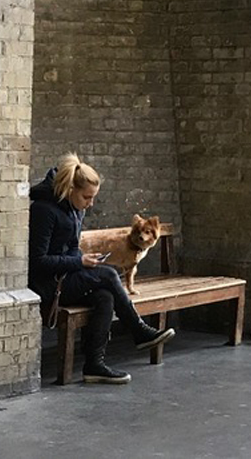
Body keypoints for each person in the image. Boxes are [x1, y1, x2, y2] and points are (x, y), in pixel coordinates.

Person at [29, 153, 176, 384]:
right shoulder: (43, 210)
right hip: (48, 285)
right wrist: (80, 262)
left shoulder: (76, 209)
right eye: (87, 197)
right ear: (70, 190)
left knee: (105, 296)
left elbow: (71, 248)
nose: (91, 203)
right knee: (107, 273)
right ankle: (138, 330)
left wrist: (83, 258)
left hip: (67, 276)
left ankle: (94, 365)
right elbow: (37, 261)